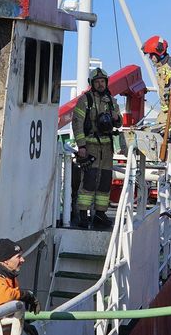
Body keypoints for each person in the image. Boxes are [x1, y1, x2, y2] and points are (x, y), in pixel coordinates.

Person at [71, 68, 122, 229]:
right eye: (97, 82)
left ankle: (100, 213)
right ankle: (83, 214)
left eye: (103, 81)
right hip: (91, 146)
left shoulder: (112, 101)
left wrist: (116, 118)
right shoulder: (85, 100)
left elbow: (119, 123)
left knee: (105, 181)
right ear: (92, 84)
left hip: (107, 147)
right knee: (89, 181)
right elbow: (77, 123)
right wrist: (82, 146)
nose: (100, 84)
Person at [0, 238, 40, 313]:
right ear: (6, 261)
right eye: (18, 257)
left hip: (5, 319)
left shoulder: (9, 275)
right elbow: (5, 295)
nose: (22, 260)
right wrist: (26, 295)